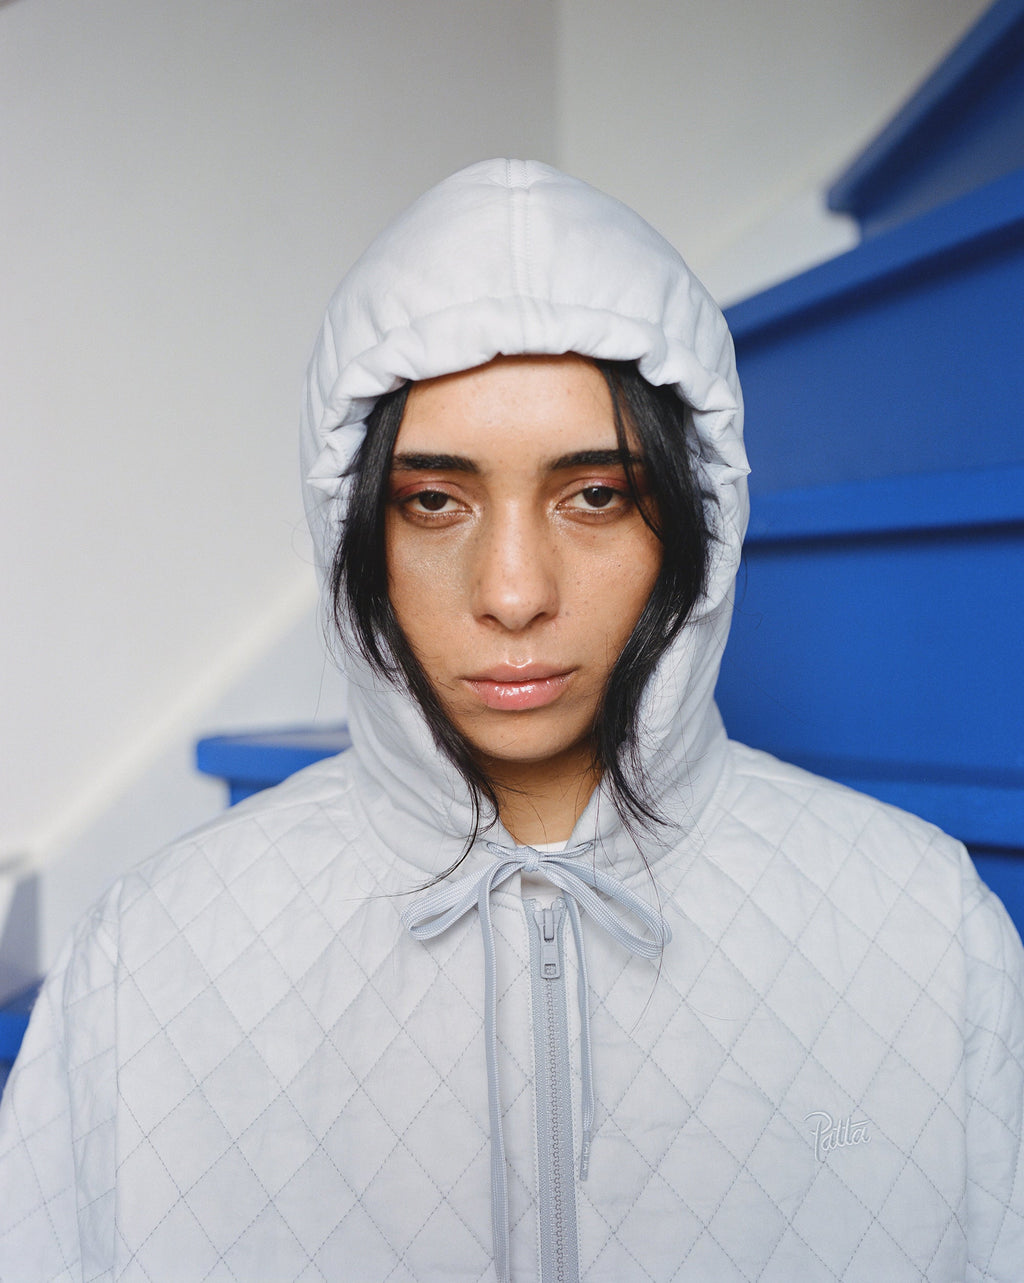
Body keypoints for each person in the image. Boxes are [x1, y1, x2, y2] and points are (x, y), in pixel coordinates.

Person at [1, 159, 1022, 1282]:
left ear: (697, 517)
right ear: (355, 526)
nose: (514, 592)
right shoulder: (147, 959)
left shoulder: (924, 927)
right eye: (435, 500)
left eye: (596, 494)